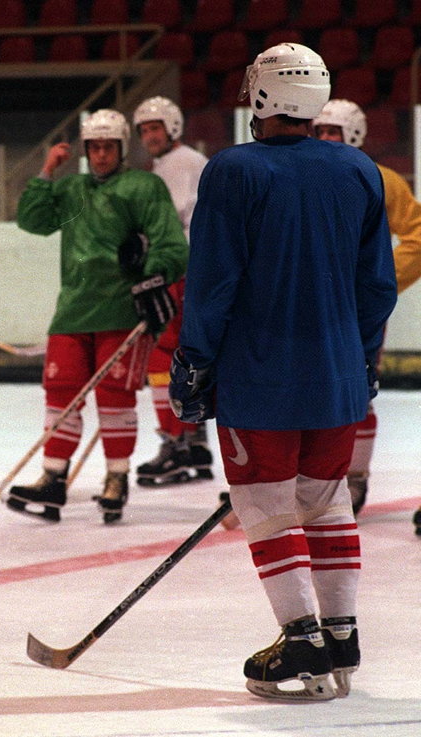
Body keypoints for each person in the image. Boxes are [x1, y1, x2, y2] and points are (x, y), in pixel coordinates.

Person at [170, 44, 397, 700]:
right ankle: (340, 632)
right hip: (337, 375)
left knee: (266, 503)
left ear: (263, 96)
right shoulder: (359, 169)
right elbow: (376, 286)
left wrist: (193, 361)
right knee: (325, 499)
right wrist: (360, 358)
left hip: (258, 373)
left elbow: (214, 282)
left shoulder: (234, 170)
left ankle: (301, 637)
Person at [5, 108, 188, 525]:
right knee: (60, 394)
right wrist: (46, 172)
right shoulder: (72, 190)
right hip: (73, 310)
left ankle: (116, 479)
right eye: (94, 147)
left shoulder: (144, 186)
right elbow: (33, 220)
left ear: (122, 148)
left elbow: (172, 245)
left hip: (123, 309)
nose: (101, 155)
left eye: (108, 147)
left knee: (115, 398)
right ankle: (53, 478)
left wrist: (154, 275)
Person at [312, 99, 421, 526]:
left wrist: (380, 280)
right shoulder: (304, 177)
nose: (323, 140)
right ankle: (309, 475)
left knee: (355, 387)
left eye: (333, 132)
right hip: (306, 301)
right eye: (318, 131)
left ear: (354, 136)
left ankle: (354, 477)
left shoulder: (382, 179)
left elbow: (417, 234)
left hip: (358, 309)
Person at [131, 96, 213, 486]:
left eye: (155, 128)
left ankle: (174, 446)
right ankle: (195, 442)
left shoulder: (179, 164)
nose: (149, 136)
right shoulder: (182, 162)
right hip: (198, 271)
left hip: (182, 271)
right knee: (188, 354)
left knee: (161, 355)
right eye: (144, 130)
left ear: (173, 128)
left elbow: (173, 223)